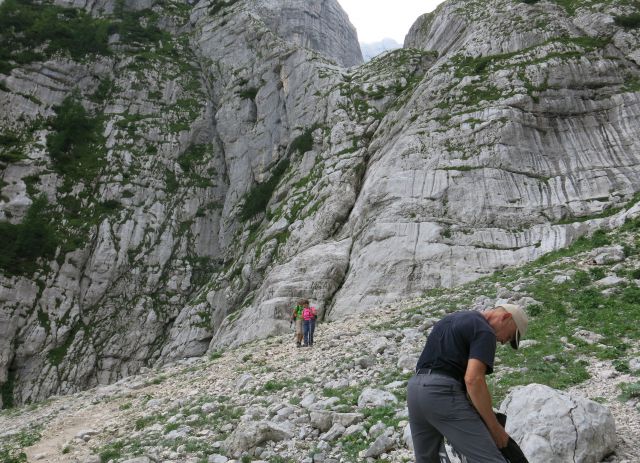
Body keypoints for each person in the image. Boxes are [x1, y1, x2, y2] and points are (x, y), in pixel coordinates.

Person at [407, 304, 528, 463]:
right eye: (511, 335)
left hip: (414, 391)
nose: (505, 342)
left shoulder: (449, 320)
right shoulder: (485, 330)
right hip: (441, 394)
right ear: (505, 318)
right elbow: (473, 379)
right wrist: (495, 428)